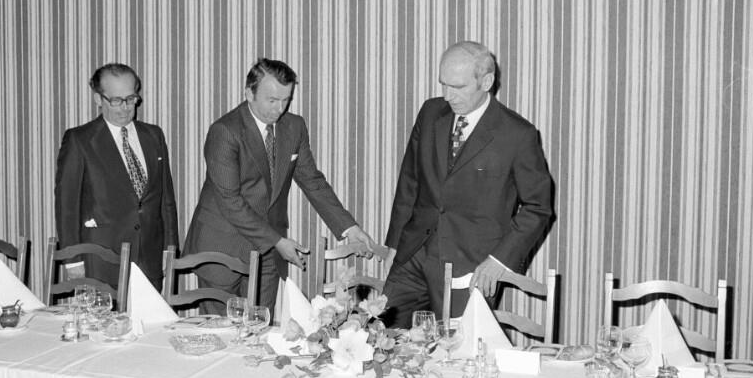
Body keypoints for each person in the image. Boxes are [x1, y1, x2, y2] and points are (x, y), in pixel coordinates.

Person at [382, 41, 554, 327]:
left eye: (458, 87)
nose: (447, 96)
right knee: (382, 336)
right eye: (443, 84)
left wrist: (498, 261)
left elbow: (538, 208)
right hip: (413, 254)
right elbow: (410, 181)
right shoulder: (430, 112)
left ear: (486, 82)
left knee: (457, 348)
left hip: (470, 266)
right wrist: (395, 245)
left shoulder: (517, 135)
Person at [183, 58, 377, 309]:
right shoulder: (225, 131)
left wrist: (350, 228)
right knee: (222, 330)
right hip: (222, 246)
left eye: (286, 100)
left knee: (261, 324)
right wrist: (277, 241)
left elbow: (312, 181)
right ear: (249, 93)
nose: (279, 109)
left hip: (268, 253)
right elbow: (230, 201)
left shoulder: (294, 127)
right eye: (272, 100)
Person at [55, 63, 178, 289]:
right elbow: (67, 207)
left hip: (149, 259)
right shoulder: (80, 140)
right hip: (100, 261)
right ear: (98, 99)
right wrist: (73, 261)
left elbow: (166, 201)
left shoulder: (153, 136)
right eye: (116, 100)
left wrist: (169, 250)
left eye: (130, 99)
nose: (125, 108)